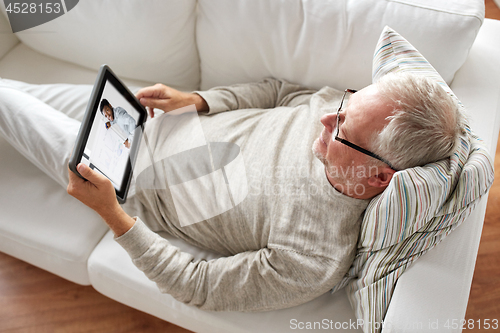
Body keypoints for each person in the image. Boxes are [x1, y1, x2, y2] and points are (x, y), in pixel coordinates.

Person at [0, 72, 464, 311]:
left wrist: (112, 214)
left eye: (344, 128)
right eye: (344, 104)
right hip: (145, 118)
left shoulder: (313, 258)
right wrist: (197, 100)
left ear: (381, 176)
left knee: (6, 102)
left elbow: (197, 284)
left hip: (127, 177)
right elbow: (282, 92)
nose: (327, 117)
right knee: (14, 91)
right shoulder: (344, 112)